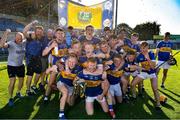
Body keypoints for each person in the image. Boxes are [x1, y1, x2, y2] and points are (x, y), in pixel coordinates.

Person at [131, 42, 161, 110]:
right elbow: (136, 65)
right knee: (132, 84)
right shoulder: (139, 55)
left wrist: (148, 58)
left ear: (148, 48)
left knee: (155, 89)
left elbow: (153, 67)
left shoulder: (151, 54)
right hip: (144, 73)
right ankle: (134, 96)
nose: (143, 49)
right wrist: (139, 68)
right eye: (141, 48)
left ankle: (158, 104)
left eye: (144, 48)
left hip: (152, 73)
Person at [0, 29, 26, 106]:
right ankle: (10, 98)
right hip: (11, 66)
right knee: (13, 81)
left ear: (22, 38)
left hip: (21, 65)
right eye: (17, 38)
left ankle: (18, 92)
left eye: (20, 38)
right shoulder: (11, 43)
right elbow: (1, 45)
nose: (19, 39)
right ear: (15, 38)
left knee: (21, 81)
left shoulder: (24, 43)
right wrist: (6, 34)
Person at [42, 28, 68, 103]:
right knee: (51, 82)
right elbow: (43, 53)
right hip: (55, 66)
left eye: (61, 33)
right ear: (55, 35)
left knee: (66, 81)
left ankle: (63, 95)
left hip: (66, 65)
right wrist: (51, 47)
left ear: (64, 34)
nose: (60, 35)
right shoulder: (52, 42)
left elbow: (69, 53)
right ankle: (46, 96)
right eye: (58, 33)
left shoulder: (66, 42)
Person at [56, 54, 82, 119]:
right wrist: (63, 66)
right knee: (65, 92)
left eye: (73, 62)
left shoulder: (79, 68)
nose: (71, 63)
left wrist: (76, 82)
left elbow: (76, 81)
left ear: (76, 62)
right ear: (67, 61)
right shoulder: (64, 64)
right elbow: (57, 62)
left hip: (71, 85)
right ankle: (61, 114)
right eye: (70, 61)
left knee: (70, 103)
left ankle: (76, 94)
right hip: (62, 82)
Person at [23, 21, 45, 96]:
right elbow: (24, 31)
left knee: (38, 74)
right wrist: (32, 23)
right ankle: (28, 90)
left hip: (38, 59)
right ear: (35, 32)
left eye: (40, 31)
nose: (39, 33)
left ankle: (34, 85)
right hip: (30, 59)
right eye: (38, 31)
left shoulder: (41, 39)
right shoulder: (30, 37)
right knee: (30, 75)